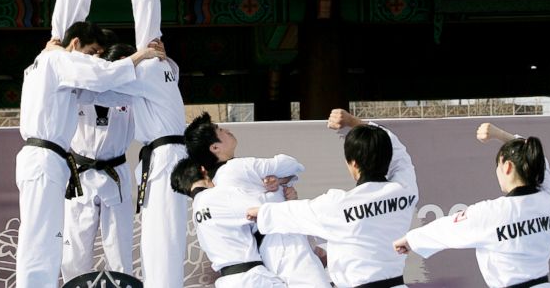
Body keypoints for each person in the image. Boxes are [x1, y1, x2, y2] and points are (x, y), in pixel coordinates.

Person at [15, 22, 163, 288]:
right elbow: (98, 74)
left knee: (119, 251)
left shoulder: (126, 92)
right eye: (93, 53)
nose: (94, 59)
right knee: (74, 253)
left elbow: (153, 85)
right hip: (80, 175)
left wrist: (157, 63)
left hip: (114, 173)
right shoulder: (72, 84)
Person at [247, 109, 418, 288]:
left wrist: (260, 211)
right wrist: (353, 121)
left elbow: (296, 212)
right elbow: (399, 153)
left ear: (353, 163)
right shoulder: (405, 190)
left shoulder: (338, 205)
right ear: (387, 157)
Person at [394, 123, 550, 288]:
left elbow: (448, 229)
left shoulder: (494, 213)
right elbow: (540, 162)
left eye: (497, 166)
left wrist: (410, 239)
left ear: (507, 167)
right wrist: (500, 135)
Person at [185, 111, 331, 288]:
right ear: (215, 148)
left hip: (264, 251)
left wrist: (280, 182)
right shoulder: (240, 166)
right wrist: (281, 180)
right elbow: (291, 164)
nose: (226, 130)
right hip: (284, 240)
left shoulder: (216, 185)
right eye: (220, 130)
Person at [88, 50, 189, 288]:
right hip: (92, 169)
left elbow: (101, 92)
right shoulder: (135, 86)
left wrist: (156, 57)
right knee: (152, 239)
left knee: (154, 240)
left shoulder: (144, 75)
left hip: (150, 163)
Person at [61, 42, 138, 282]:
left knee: (119, 244)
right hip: (81, 173)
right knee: (75, 247)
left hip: (115, 172)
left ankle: (123, 284)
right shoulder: (79, 91)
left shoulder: (134, 94)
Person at [172, 157, 288, 287]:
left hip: (230, 280)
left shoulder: (196, 210)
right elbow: (265, 207)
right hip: (251, 279)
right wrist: (280, 189)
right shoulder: (217, 195)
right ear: (203, 170)